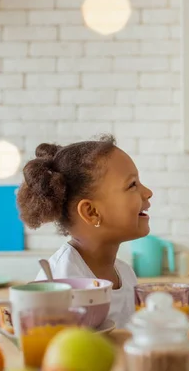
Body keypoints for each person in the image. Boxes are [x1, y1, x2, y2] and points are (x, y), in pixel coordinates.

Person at [16, 134, 153, 328]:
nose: (148, 192)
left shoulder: (125, 273)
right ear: (91, 212)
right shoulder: (64, 279)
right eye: (132, 185)